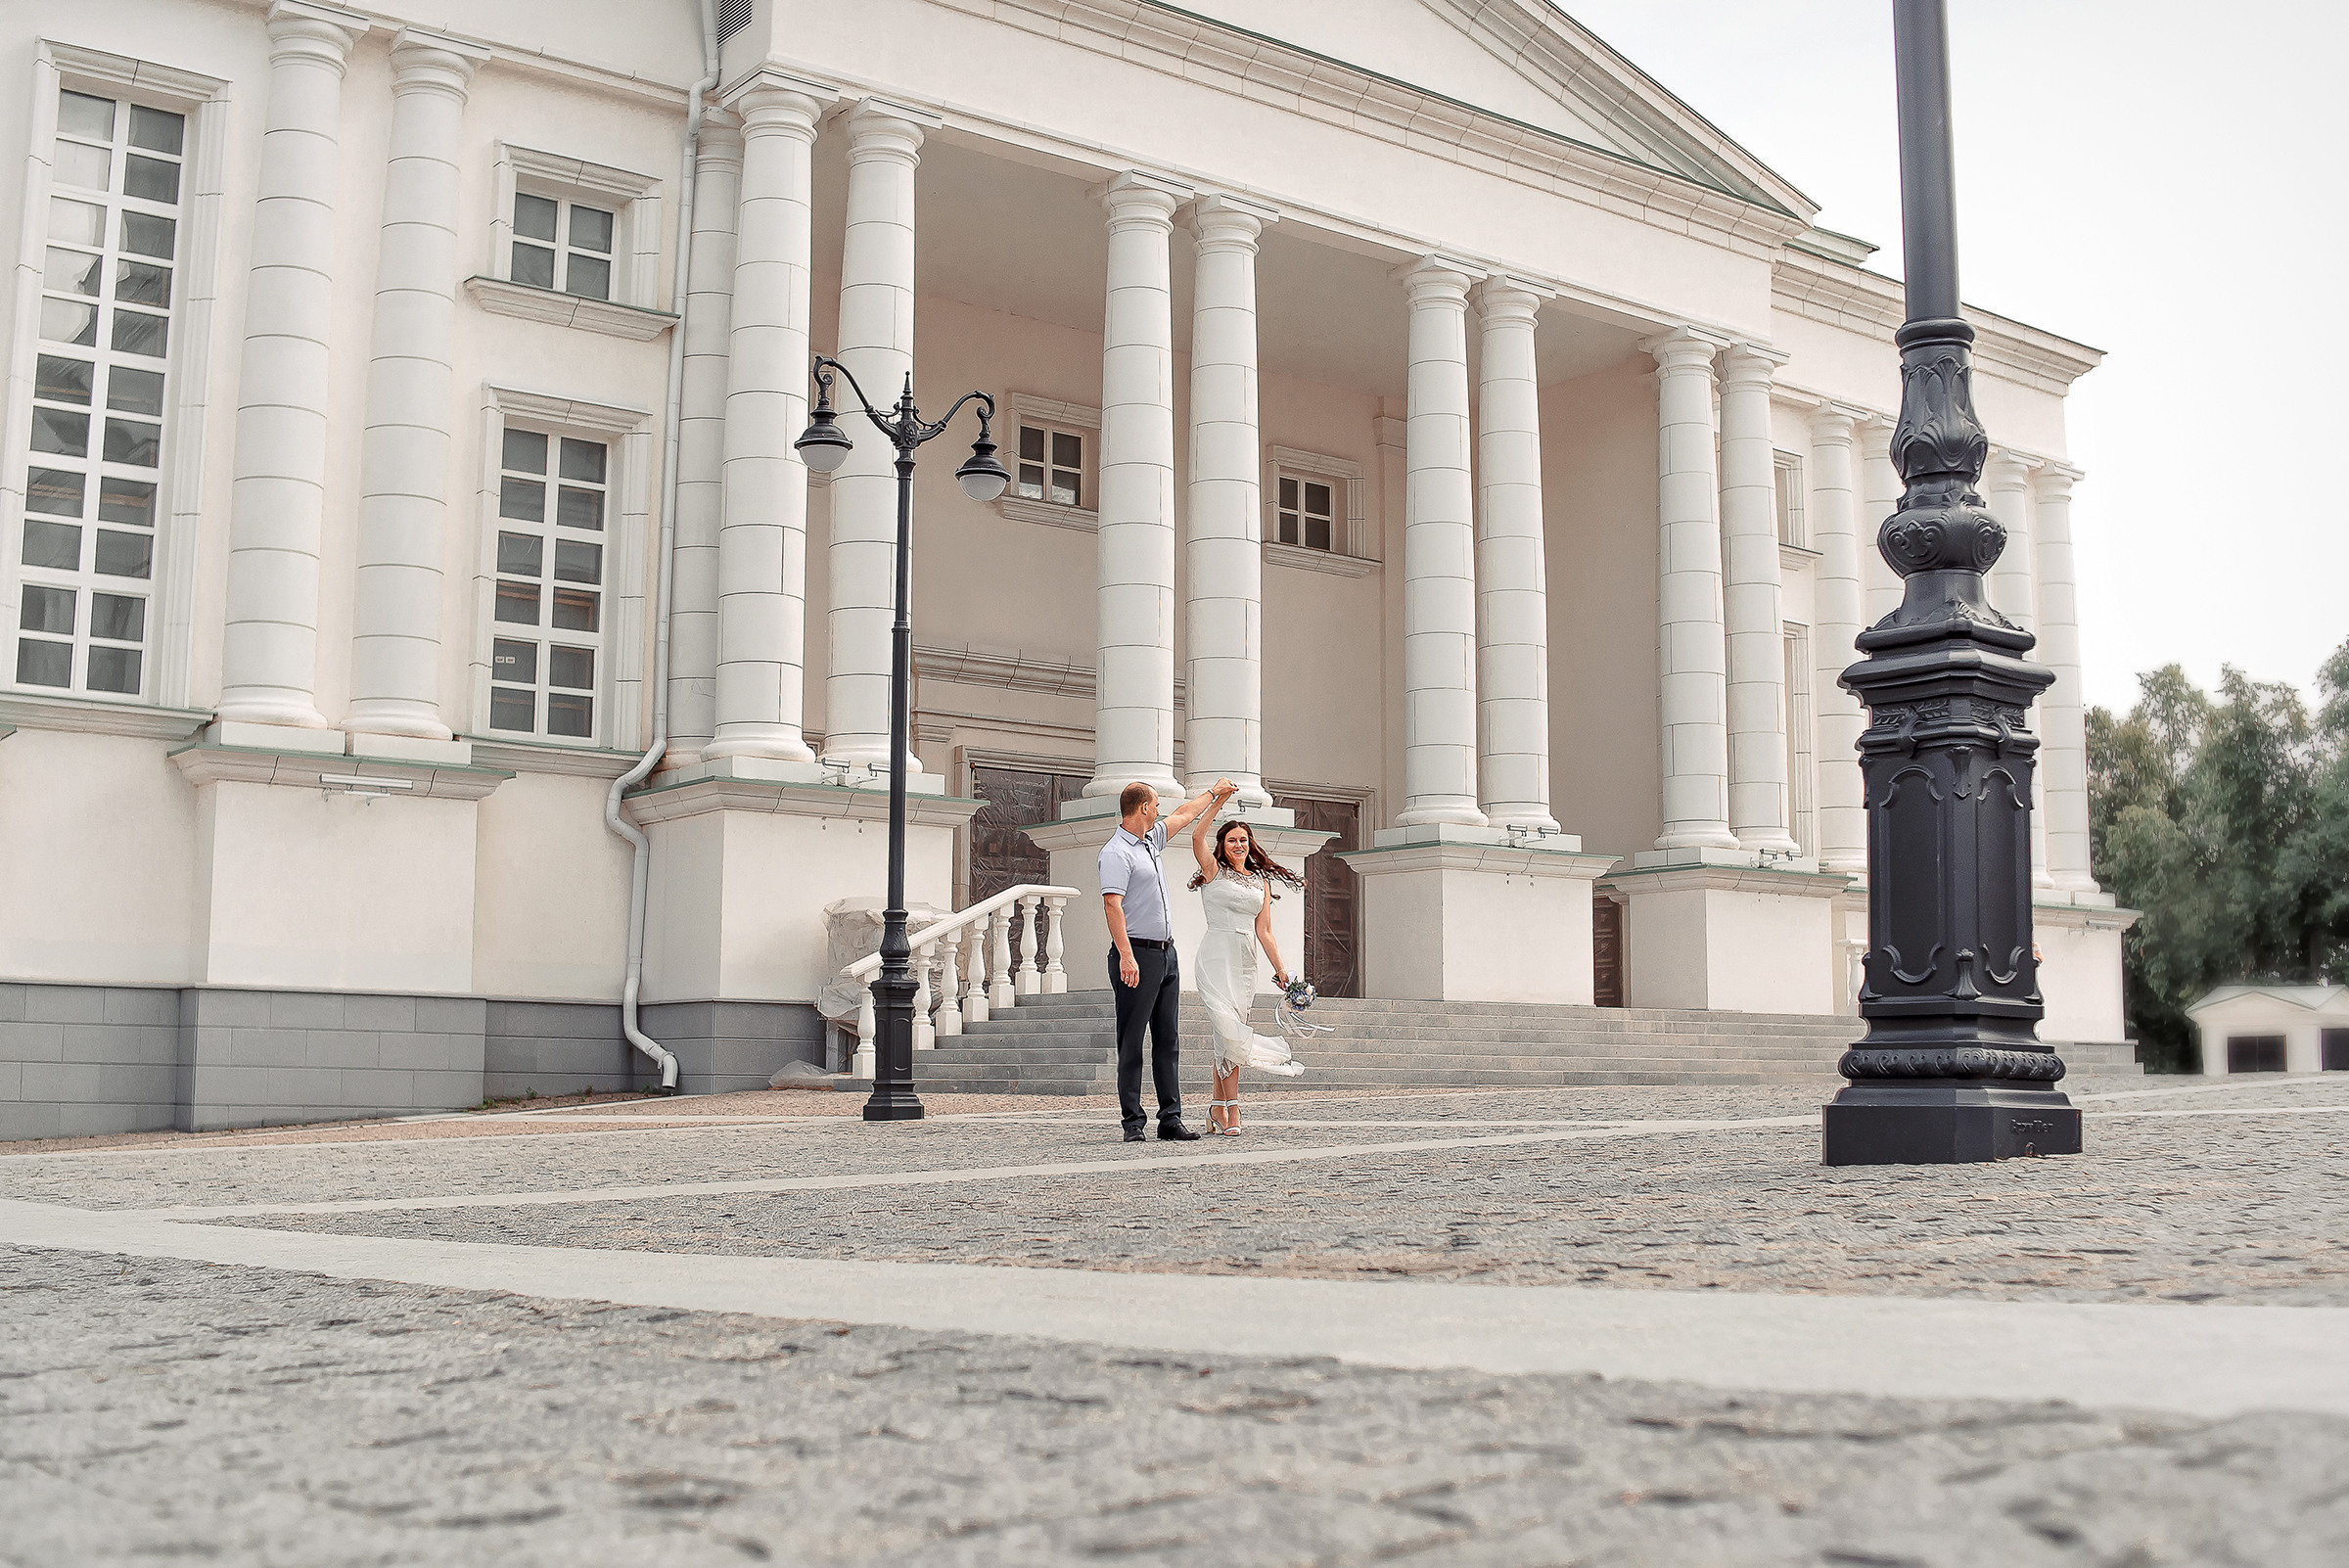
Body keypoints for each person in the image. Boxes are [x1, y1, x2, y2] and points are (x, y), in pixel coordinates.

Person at [1099, 777, 1228, 1142]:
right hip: (1135, 954)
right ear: (1143, 808)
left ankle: (1170, 1119)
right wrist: (1126, 956)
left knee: (1168, 1040)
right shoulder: (1116, 853)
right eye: (1155, 805)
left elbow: (1186, 814)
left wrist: (1215, 793)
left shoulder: (1151, 841)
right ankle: (1132, 1123)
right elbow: (1112, 905)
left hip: (1165, 954)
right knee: (1132, 1040)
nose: (1160, 811)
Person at [1188, 786, 1308, 1135]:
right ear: (1223, 846)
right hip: (1214, 956)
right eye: (1231, 841)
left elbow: (1265, 931)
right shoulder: (1212, 871)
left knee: (1227, 1035)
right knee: (1229, 1031)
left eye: (1243, 840)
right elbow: (1197, 835)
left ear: (1250, 844)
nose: (1237, 845)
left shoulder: (1260, 883)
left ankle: (1215, 1108)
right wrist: (1219, 802)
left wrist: (1281, 969)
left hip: (1244, 963)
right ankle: (1234, 1109)